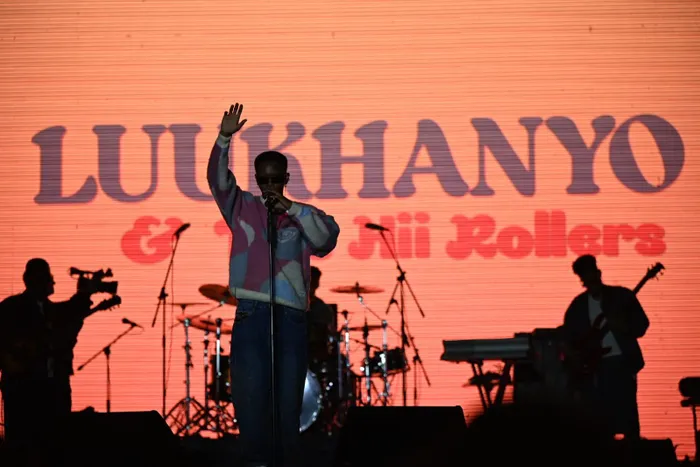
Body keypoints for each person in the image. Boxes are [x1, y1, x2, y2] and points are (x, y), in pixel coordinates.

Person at [207, 103, 340, 467]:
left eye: (275, 180)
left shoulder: (303, 215)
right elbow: (217, 181)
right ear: (256, 179)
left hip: (290, 318)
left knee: (287, 406)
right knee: (251, 403)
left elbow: (326, 240)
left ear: (286, 178)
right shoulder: (242, 207)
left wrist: (291, 208)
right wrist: (224, 138)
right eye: (263, 180)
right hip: (252, 314)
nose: (269, 187)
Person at [0, 258, 93, 446]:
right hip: (23, 391)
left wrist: (84, 294)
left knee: (54, 442)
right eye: (49, 278)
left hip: (53, 388)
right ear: (37, 281)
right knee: (23, 443)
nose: (53, 282)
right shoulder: (12, 307)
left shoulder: (50, 310)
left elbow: (69, 314)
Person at [561, 254, 649, 440]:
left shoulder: (622, 296)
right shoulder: (578, 306)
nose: (590, 282)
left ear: (598, 273)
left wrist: (623, 326)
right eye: (586, 278)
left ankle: (631, 448)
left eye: (591, 276)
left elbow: (642, 324)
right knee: (601, 417)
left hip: (622, 362)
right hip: (596, 367)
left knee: (627, 412)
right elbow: (568, 337)